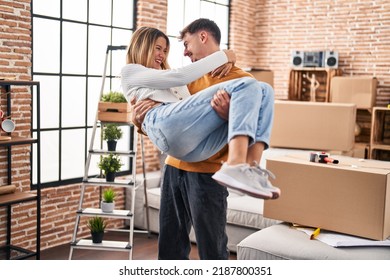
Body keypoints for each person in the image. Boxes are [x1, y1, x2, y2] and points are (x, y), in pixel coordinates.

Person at [122, 19, 277, 259]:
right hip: (175, 166)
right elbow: (169, 118)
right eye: (160, 49)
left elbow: (251, 125)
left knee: (212, 250)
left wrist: (229, 116)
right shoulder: (184, 76)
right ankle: (239, 166)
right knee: (171, 246)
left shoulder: (242, 80)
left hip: (207, 171)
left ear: (202, 37)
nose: (183, 52)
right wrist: (138, 121)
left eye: (186, 44)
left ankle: (245, 166)